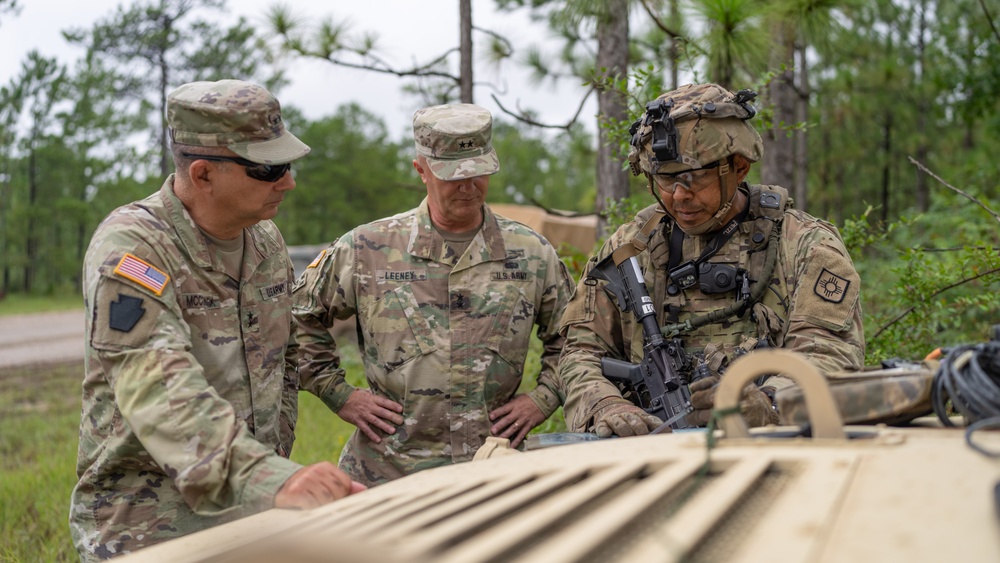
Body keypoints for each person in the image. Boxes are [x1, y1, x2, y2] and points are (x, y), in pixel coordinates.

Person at [70, 79, 365, 562]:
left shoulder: (265, 241)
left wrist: (282, 455)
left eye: (287, 164)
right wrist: (272, 477)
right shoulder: (134, 247)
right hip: (152, 526)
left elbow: (284, 352)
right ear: (203, 174)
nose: (288, 182)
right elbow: (156, 385)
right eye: (268, 168)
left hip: (256, 512)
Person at [558, 83, 865, 438]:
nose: (679, 196)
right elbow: (580, 350)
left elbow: (830, 356)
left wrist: (768, 404)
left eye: (693, 177)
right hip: (648, 454)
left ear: (739, 167)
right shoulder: (630, 249)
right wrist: (604, 404)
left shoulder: (805, 244)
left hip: (775, 449)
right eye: (665, 180)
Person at [293, 103, 573, 487]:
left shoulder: (531, 252)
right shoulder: (366, 248)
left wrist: (543, 397)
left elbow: (575, 337)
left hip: (493, 469)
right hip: (389, 473)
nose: (468, 186)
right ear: (421, 170)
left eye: (478, 172)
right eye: (452, 176)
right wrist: (339, 394)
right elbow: (295, 318)